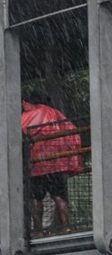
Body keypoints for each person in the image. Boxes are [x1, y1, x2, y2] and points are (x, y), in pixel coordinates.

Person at [21, 92, 84, 237]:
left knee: (36, 198)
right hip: (56, 163)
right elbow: (71, 131)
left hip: (38, 163)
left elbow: (21, 132)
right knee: (59, 196)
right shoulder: (56, 113)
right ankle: (66, 227)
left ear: (27, 102)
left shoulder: (29, 115)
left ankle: (38, 230)